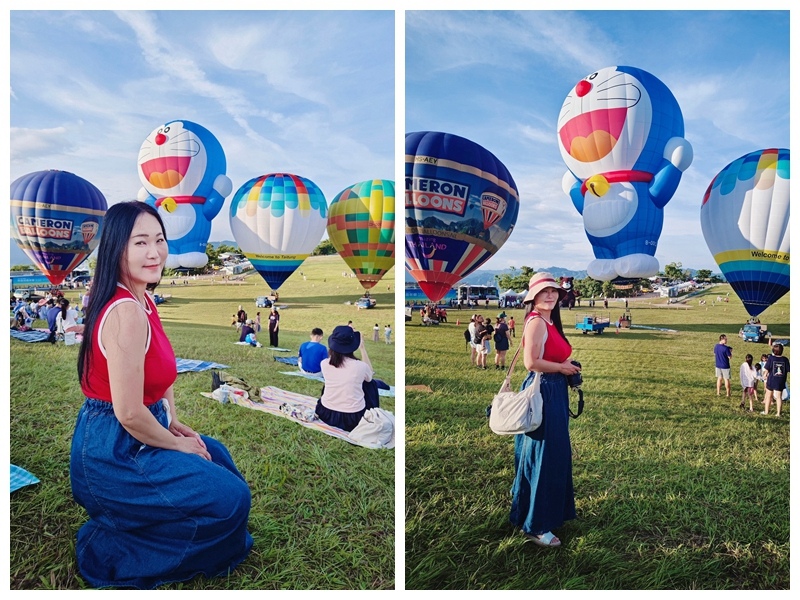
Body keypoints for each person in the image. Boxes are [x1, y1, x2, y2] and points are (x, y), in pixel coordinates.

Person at [69, 201, 252, 589]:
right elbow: (129, 413)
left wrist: (175, 422)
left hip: (143, 429)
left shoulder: (145, 299)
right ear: (117, 248)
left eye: (159, 240)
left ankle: (157, 524)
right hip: (113, 454)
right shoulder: (125, 313)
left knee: (218, 458)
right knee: (231, 499)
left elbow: (162, 375)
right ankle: (112, 548)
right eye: (140, 243)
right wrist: (175, 445)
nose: (154, 252)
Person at [510, 272, 581, 548]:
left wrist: (567, 364)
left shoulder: (549, 321)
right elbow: (531, 362)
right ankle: (537, 525)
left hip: (554, 391)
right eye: (544, 292)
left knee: (549, 454)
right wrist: (562, 368)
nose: (550, 296)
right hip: (545, 391)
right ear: (534, 297)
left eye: (554, 292)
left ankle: (535, 513)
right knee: (544, 456)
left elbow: (548, 355)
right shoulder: (537, 322)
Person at [316, 325, 378, 432]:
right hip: (352, 418)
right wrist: (362, 348)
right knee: (371, 383)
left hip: (326, 413)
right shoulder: (360, 366)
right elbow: (370, 376)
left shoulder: (324, 364)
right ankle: (374, 410)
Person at [762, 343, 790, 417]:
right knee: (779, 397)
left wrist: (765, 375)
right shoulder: (785, 359)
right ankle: (778, 413)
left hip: (771, 380)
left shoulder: (771, 358)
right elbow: (788, 370)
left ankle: (766, 412)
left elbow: (767, 369)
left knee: (768, 396)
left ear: (774, 351)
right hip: (780, 381)